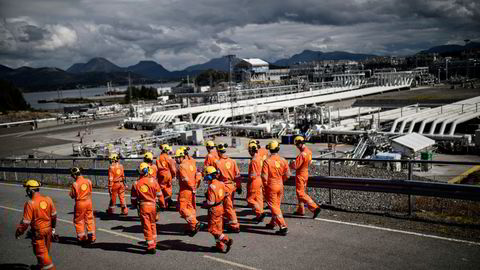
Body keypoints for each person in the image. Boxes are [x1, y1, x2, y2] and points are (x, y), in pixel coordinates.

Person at [15, 179, 58, 270]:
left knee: (42, 254)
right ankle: (40, 266)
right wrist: (53, 227)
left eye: (27, 189)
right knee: (45, 251)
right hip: (48, 230)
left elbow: (25, 222)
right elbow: (54, 216)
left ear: (31, 190)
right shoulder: (48, 199)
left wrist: (19, 231)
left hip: (38, 232)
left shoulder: (30, 203)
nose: (27, 191)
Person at [130, 162, 163, 254]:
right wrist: (162, 204)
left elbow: (133, 198)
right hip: (153, 206)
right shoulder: (153, 181)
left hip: (143, 206)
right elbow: (160, 195)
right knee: (153, 224)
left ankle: (151, 245)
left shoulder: (136, 183)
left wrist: (133, 204)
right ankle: (154, 241)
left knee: (146, 226)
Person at [261, 140, 290, 235]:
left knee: (274, 207)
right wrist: (281, 181)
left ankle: (283, 226)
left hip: (271, 185)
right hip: (280, 184)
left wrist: (265, 187)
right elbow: (288, 175)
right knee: (276, 206)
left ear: (269, 149)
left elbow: (264, 177)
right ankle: (273, 223)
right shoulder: (283, 160)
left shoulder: (267, 161)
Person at [203, 166, 233, 253]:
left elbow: (211, 202)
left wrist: (204, 204)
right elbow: (226, 193)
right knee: (218, 229)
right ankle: (219, 246)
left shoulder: (211, 187)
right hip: (220, 207)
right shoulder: (221, 183)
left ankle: (226, 240)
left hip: (214, 209)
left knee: (212, 229)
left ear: (209, 176)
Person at [290, 136, 321, 218]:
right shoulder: (309, 152)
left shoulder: (302, 154)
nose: (296, 147)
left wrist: (291, 163)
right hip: (305, 173)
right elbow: (309, 162)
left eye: (297, 145)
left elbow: (295, 166)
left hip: (300, 174)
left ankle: (315, 208)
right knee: (300, 192)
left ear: (300, 144)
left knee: (300, 193)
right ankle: (301, 210)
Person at [214, 143, 241, 233]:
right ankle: (229, 222)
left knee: (228, 207)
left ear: (218, 152)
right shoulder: (232, 161)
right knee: (229, 205)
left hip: (224, 186)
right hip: (232, 186)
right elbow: (237, 175)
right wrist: (239, 186)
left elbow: (216, 176)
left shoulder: (217, 163)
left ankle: (235, 225)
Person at [175, 148, 202, 236]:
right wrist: (195, 186)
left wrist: (191, 186)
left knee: (182, 208)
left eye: (177, 158)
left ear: (182, 157)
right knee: (190, 208)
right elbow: (198, 174)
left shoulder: (182, 166)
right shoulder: (192, 162)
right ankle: (192, 228)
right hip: (192, 190)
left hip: (185, 190)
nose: (176, 159)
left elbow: (185, 179)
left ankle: (195, 223)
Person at [69, 167, 96, 244]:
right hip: (88, 201)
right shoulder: (88, 181)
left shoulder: (75, 184)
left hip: (80, 203)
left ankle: (82, 238)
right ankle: (92, 237)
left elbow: (72, 196)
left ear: (74, 175)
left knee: (79, 220)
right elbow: (90, 191)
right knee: (90, 219)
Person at [247, 142, 266, 223]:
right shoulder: (260, 157)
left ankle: (260, 212)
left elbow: (253, 174)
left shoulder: (254, 160)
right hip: (260, 180)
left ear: (251, 151)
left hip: (255, 181)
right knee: (259, 199)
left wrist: (249, 180)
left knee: (250, 199)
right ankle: (259, 216)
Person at [156, 144, 176, 208]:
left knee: (161, 189)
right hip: (168, 174)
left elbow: (157, 168)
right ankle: (168, 202)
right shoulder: (168, 157)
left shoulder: (158, 157)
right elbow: (172, 168)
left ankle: (163, 204)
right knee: (168, 188)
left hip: (161, 174)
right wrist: (174, 175)